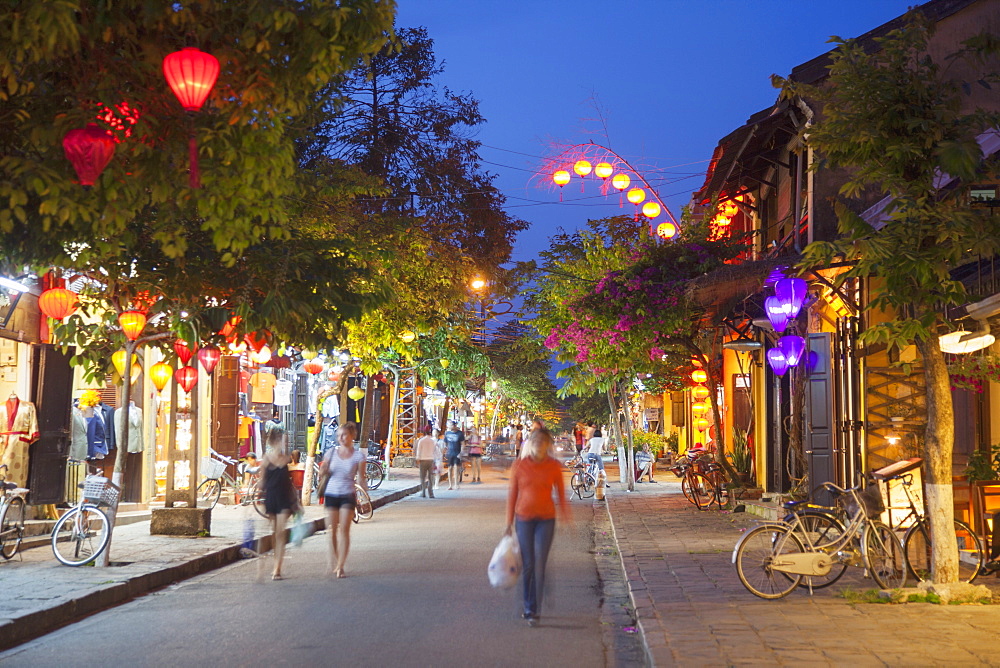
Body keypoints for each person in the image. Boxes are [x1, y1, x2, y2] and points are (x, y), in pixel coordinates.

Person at [504, 426, 570, 627]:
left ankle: (535, 609)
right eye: (536, 441)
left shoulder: (554, 466)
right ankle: (529, 607)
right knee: (529, 563)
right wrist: (508, 522)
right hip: (523, 518)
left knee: (540, 563)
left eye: (543, 442)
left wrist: (567, 517)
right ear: (530, 444)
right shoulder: (519, 465)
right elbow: (512, 494)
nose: (539, 445)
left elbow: (560, 494)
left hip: (546, 519)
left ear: (548, 445)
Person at [318, 421, 367, 578]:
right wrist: (322, 470)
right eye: (338, 435)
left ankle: (340, 565)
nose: (341, 438)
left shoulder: (359, 456)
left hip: (348, 494)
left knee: (344, 529)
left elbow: (361, 477)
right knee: (332, 530)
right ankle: (334, 558)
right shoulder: (331, 453)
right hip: (331, 494)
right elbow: (322, 472)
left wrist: (364, 495)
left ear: (352, 435)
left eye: (344, 435)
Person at [257, 427, 298, 580]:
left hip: (284, 498)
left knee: (280, 533)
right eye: (283, 440)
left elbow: (290, 482)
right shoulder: (266, 459)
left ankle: (277, 568)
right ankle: (273, 561)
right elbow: (262, 481)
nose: (285, 443)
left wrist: (296, 502)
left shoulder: (287, 459)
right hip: (271, 498)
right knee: (274, 533)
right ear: (275, 441)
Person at [414, 425, 437, 498]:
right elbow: (435, 451)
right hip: (431, 460)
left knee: (422, 477)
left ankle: (423, 492)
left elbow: (418, 451)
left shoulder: (421, 440)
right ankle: (431, 493)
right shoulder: (433, 441)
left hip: (423, 460)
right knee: (431, 477)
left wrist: (417, 459)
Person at [443, 420, 465, 490]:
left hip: (457, 453)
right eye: (448, 425)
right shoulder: (447, 433)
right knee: (449, 469)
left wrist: (461, 453)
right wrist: (444, 451)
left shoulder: (460, 433)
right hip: (450, 453)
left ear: (454, 425)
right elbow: (445, 443)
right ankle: (450, 485)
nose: (449, 426)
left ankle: (456, 484)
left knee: (456, 468)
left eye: (450, 425)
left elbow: (463, 444)